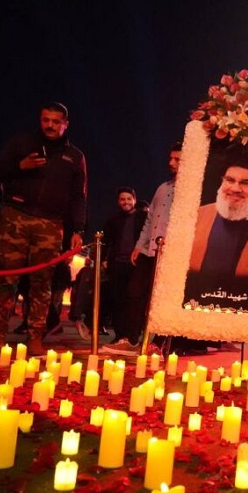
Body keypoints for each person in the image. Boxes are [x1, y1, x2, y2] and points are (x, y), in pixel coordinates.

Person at [0, 101, 87, 355]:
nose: (50, 125)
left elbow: (78, 197)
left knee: (42, 283)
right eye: (46, 120)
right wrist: (19, 167)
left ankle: (35, 337)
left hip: (50, 224)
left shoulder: (75, 157)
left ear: (65, 124)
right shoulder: (21, 143)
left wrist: (78, 229)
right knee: (7, 277)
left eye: (56, 121)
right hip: (15, 216)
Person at [101, 143, 181, 356]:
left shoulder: (191, 191)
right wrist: (139, 246)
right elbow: (149, 221)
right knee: (134, 294)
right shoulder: (162, 188)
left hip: (172, 254)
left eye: (177, 159)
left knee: (162, 299)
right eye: (170, 158)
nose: (171, 163)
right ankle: (130, 340)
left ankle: (158, 343)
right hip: (148, 251)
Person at [183, 149, 248, 315]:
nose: (235, 188)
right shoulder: (198, 215)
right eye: (230, 180)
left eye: (247, 183)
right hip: (195, 309)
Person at [99, 187, 144, 341]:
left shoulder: (143, 217)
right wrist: (104, 259)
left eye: (129, 199)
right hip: (117, 264)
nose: (126, 202)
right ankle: (119, 336)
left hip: (136, 265)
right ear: (118, 201)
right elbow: (106, 242)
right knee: (117, 301)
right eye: (122, 199)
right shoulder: (113, 219)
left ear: (134, 200)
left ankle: (132, 337)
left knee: (134, 301)